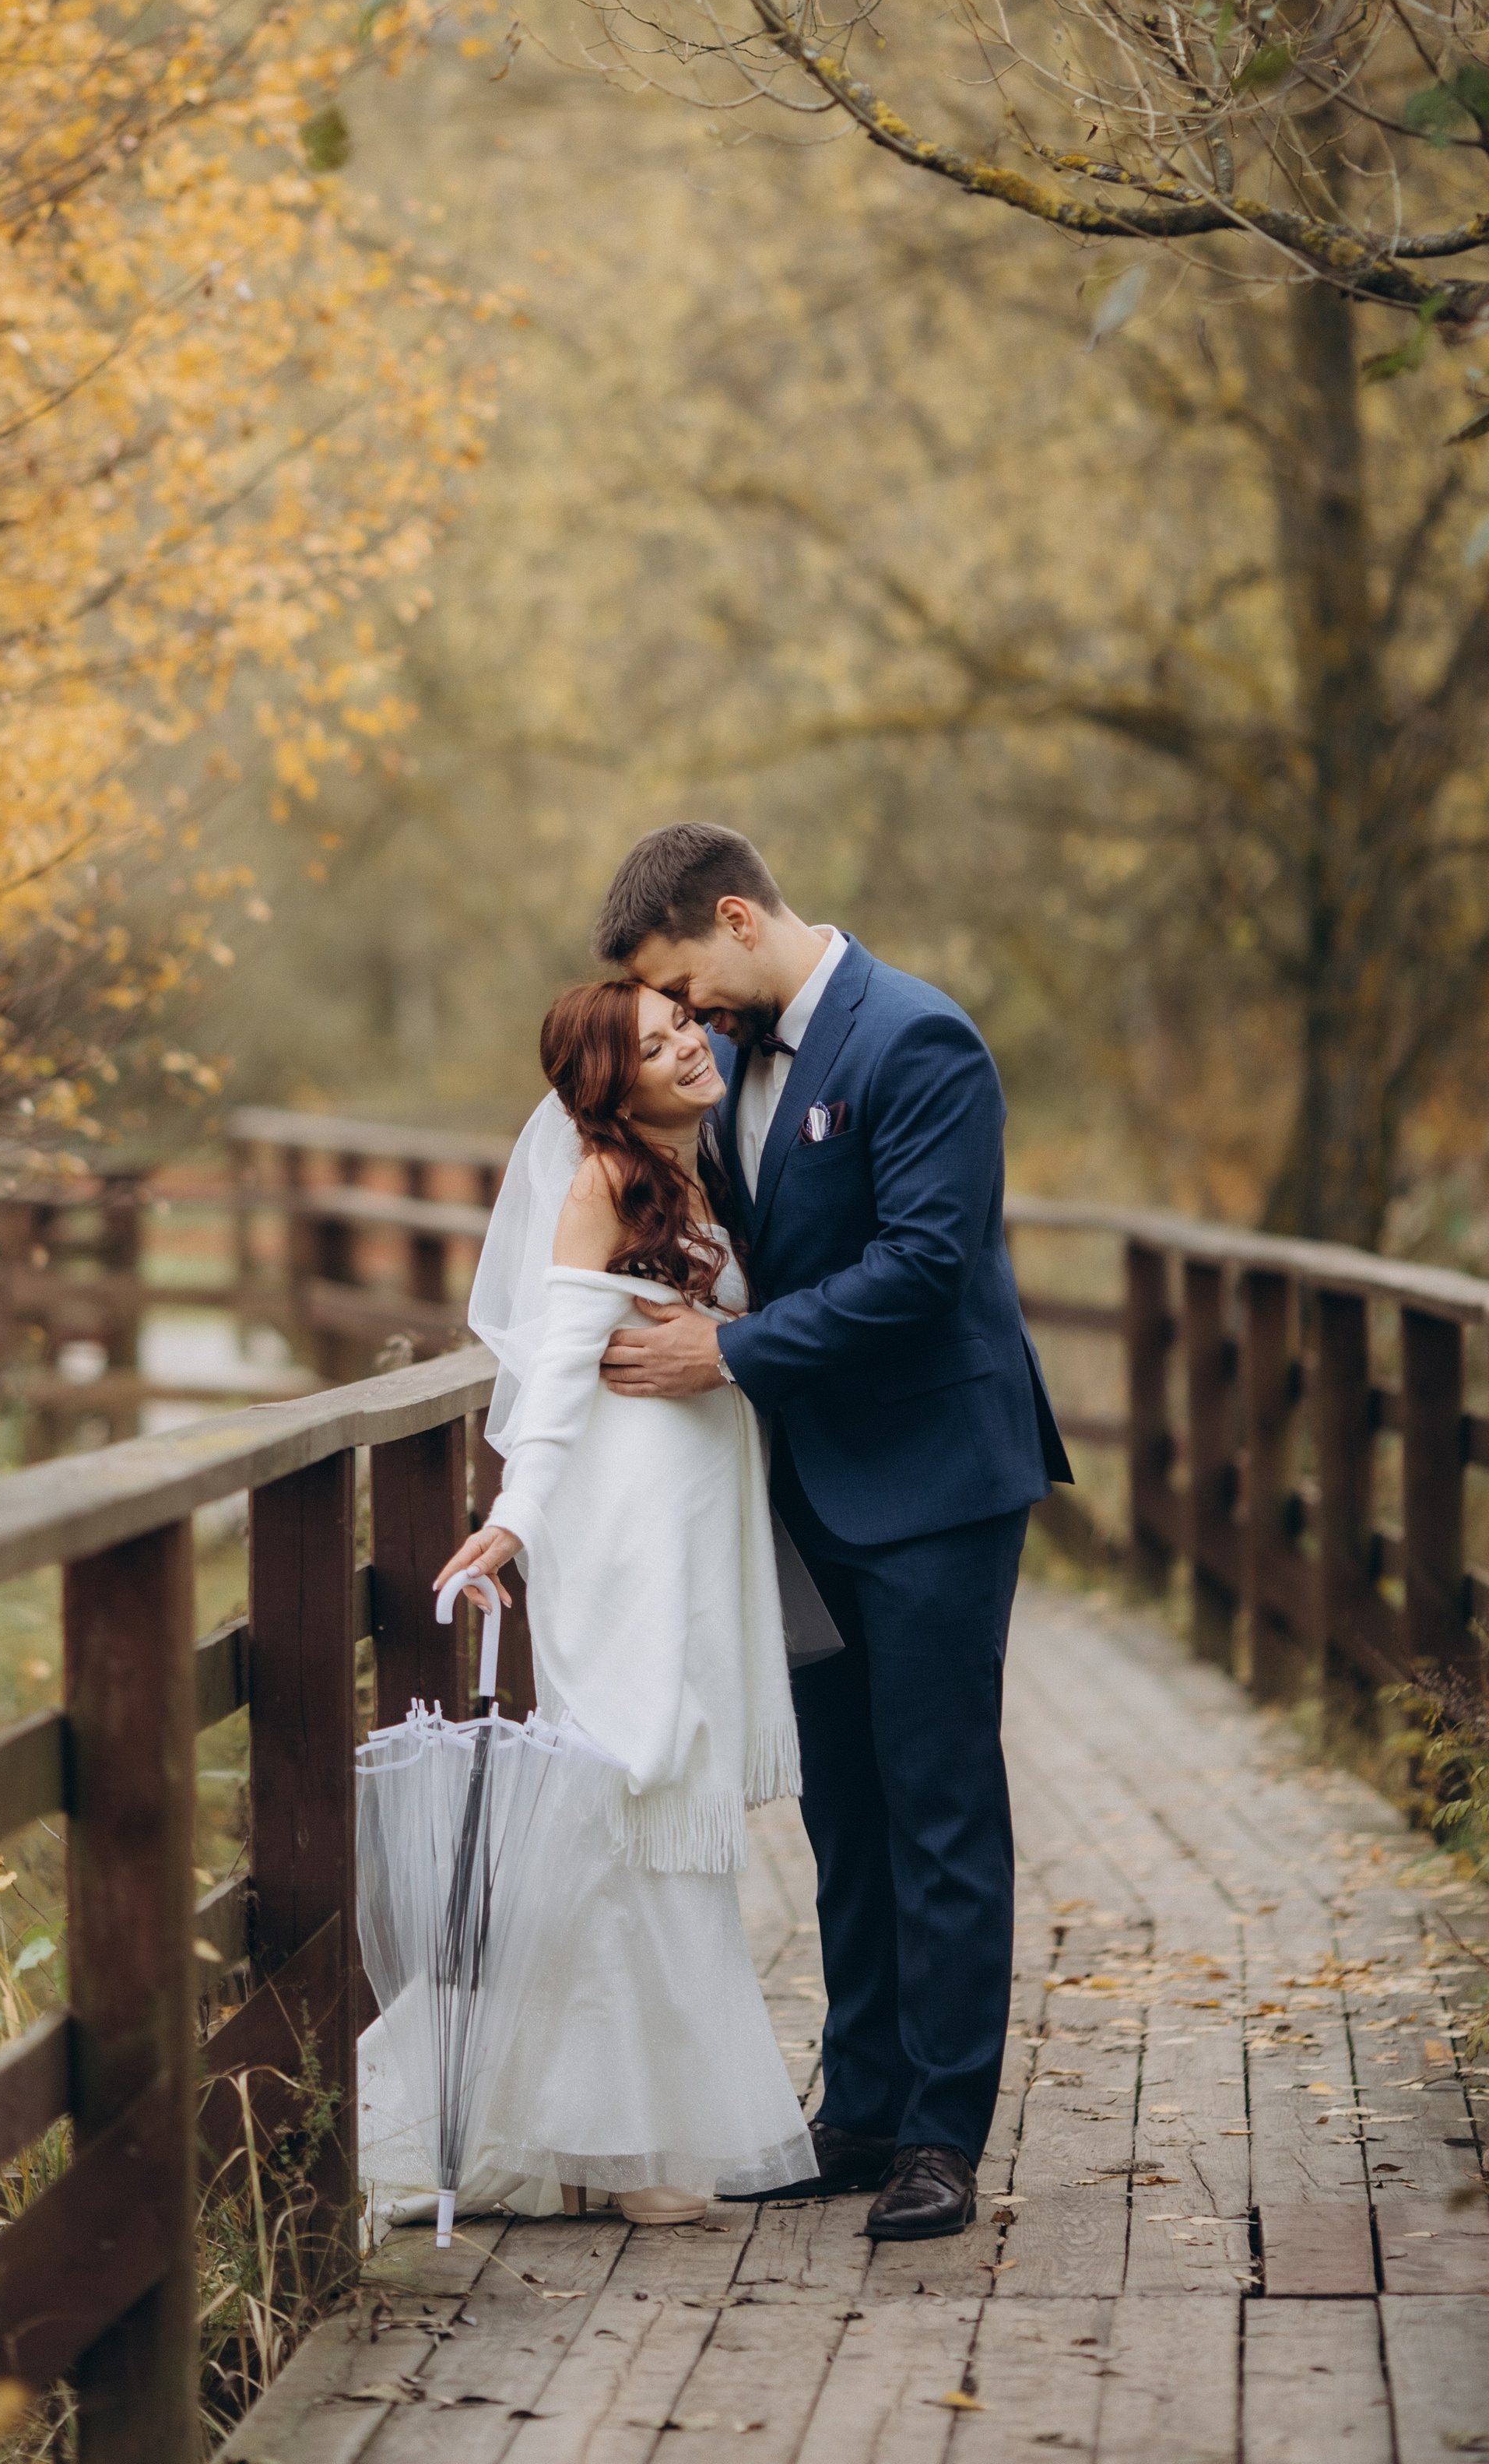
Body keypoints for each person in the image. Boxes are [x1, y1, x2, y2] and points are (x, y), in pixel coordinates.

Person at [590, 821, 1072, 2245]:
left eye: (683, 981)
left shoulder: (920, 1041)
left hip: (933, 1482)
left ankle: (942, 2133)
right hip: (801, 1492)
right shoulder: (727, 1065)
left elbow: (924, 1267)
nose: (682, 1016)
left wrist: (726, 1356)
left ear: (737, 916)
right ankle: (857, 2107)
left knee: (936, 1803)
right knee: (841, 1811)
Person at [402, 978, 824, 2224]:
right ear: (610, 1081)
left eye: (683, 1024)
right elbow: (554, 1370)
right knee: (634, 1794)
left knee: (664, 1810)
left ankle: (627, 2132)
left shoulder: (686, 1172)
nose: (689, 1044)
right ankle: (630, 2150)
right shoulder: (598, 1181)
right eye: (655, 1043)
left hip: (697, 1529)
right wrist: (514, 1519)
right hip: (626, 1535)